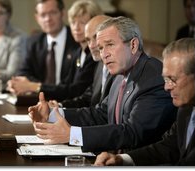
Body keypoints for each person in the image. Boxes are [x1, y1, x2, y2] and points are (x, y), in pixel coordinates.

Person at [28, 16, 177, 153]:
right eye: (100, 48)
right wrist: (54, 114)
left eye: (110, 45)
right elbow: (101, 114)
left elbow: (133, 132)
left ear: (133, 45)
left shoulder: (154, 77)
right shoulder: (119, 74)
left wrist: (72, 135)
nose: (104, 54)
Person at [94, 38, 195, 166]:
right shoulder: (186, 109)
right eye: (166, 79)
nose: (167, 87)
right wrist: (121, 159)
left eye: (173, 79)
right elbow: (168, 147)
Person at [7, 0, 101, 102]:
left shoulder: (86, 49)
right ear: (37, 18)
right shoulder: (79, 51)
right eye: (73, 22)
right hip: (52, 102)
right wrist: (22, 84)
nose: (76, 28)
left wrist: (33, 86)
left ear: (62, 13)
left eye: (82, 23)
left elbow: (76, 90)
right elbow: (66, 85)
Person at [55, 15, 114, 108]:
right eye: (88, 40)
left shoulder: (119, 68)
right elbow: (88, 98)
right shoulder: (99, 65)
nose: (91, 45)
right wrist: (59, 106)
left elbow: (103, 113)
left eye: (96, 37)